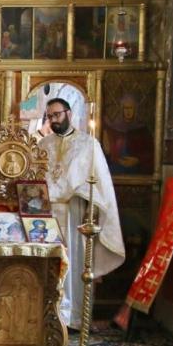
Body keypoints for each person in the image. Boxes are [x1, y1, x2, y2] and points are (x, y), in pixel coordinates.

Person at [39, 97, 124, 329]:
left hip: (73, 213)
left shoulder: (88, 145)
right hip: (46, 216)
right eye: (50, 116)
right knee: (48, 266)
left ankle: (72, 319)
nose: (54, 120)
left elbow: (100, 185)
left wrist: (84, 196)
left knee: (74, 264)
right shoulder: (43, 145)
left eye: (57, 115)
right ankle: (48, 316)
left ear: (69, 113)